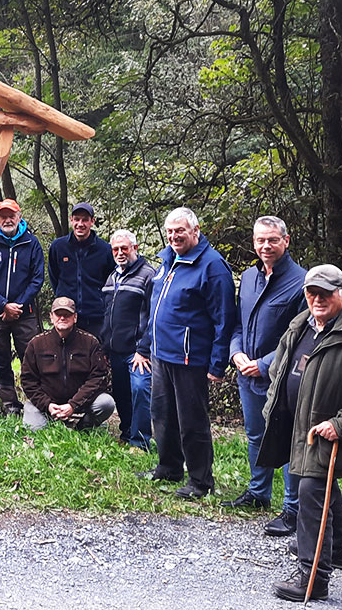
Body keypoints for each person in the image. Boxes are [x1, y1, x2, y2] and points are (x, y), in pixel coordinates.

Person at [258, 265, 342, 602]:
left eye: (325, 293)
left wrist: (339, 424)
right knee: (320, 487)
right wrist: (274, 404)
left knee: (311, 490)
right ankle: (335, 551)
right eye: (311, 292)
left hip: (328, 431)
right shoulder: (301, 325)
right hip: (296, 425)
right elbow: (279, 368)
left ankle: (312, 578)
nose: (317, 299)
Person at [136, 207, 236, 499]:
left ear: (195, 230)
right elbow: (155, 309)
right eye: (169, 231)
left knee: (191, 420)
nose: (173, 236)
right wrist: (146, 345)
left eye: (179, 230)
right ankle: (168, 467)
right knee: (162, 414)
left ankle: (200, 481)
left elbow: (224, 318)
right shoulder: (168, 260)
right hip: (161, 354)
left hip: (190, 357)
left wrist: (218, 364)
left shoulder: (212, 266)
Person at [220, 216, 307, 533]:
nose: (266, 246)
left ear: (286, 241)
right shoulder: (249, 277)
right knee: (256, 436)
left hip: (283, 379)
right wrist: (236, 353)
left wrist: (266, 363)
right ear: (254, 243)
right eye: (260, 241)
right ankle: (259, 493)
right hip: (247, 375)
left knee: (284, 441)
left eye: (272, 240)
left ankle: (292, 509)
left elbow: (301, 338)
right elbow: (239, 324)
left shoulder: (302, 282)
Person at [0, 198, 45, 415]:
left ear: (19, 217)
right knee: (1, 361)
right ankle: (10, 404)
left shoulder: (31, 244)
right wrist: (3, 305)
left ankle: (35, 402)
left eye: (11, 215)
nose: (7, 219)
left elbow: (37, 279)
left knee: (31, 360)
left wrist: (18, 305)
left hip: (25, 314)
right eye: (3, 215)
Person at [20, 297, 115, 430]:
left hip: (80, 404)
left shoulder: (90, 342)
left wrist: (73, 405)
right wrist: (47, 404)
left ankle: (83, 427)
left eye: (67, 314)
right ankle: (51, 423)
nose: (62, 318)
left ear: (75, 317)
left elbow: (98, 378)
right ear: (51, 317)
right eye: (58, 314)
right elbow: (27, 380)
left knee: (106, 403)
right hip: (47, 405)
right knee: (34, 429)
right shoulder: (36, 344)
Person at [100, 229, 155, 449]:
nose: (120, 252)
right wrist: (105, 346)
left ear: (135, 248)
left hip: (138, 351)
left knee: (140, 391)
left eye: (124, 248)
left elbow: (154, 316)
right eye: (116, 249)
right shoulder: (113, 276)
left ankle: (141, 442)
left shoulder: (149, 275)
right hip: (115, 349)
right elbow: (108, 315)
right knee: (122, 393)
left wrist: (144, 349)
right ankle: (126, 433)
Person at [47, 202, 112, 338]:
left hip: (95, 317)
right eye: (77, 219)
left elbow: (109, 282)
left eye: (85, 220)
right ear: (71, 220)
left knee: (95, 357)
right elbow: (54, 277)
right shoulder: (58, 247)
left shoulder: (105, 250)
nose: (80, 224)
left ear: (92, 221)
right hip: (66, 315)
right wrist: (62, 296)